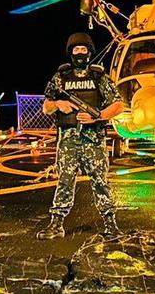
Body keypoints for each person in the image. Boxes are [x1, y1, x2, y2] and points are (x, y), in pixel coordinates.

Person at [36, 32, 125, 240]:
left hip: (93, 139)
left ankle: (110, 224)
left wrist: (98, 116)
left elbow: (118, 105)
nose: (80, 53)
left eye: (83, 49)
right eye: (76, 49)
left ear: (89, 52)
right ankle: (56, 224)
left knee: (100, 181)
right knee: (65, 181)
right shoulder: (61, 78)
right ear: (70, 52)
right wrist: (58, 104)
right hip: (68, 139)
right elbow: (46, 107)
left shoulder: (99, 77)